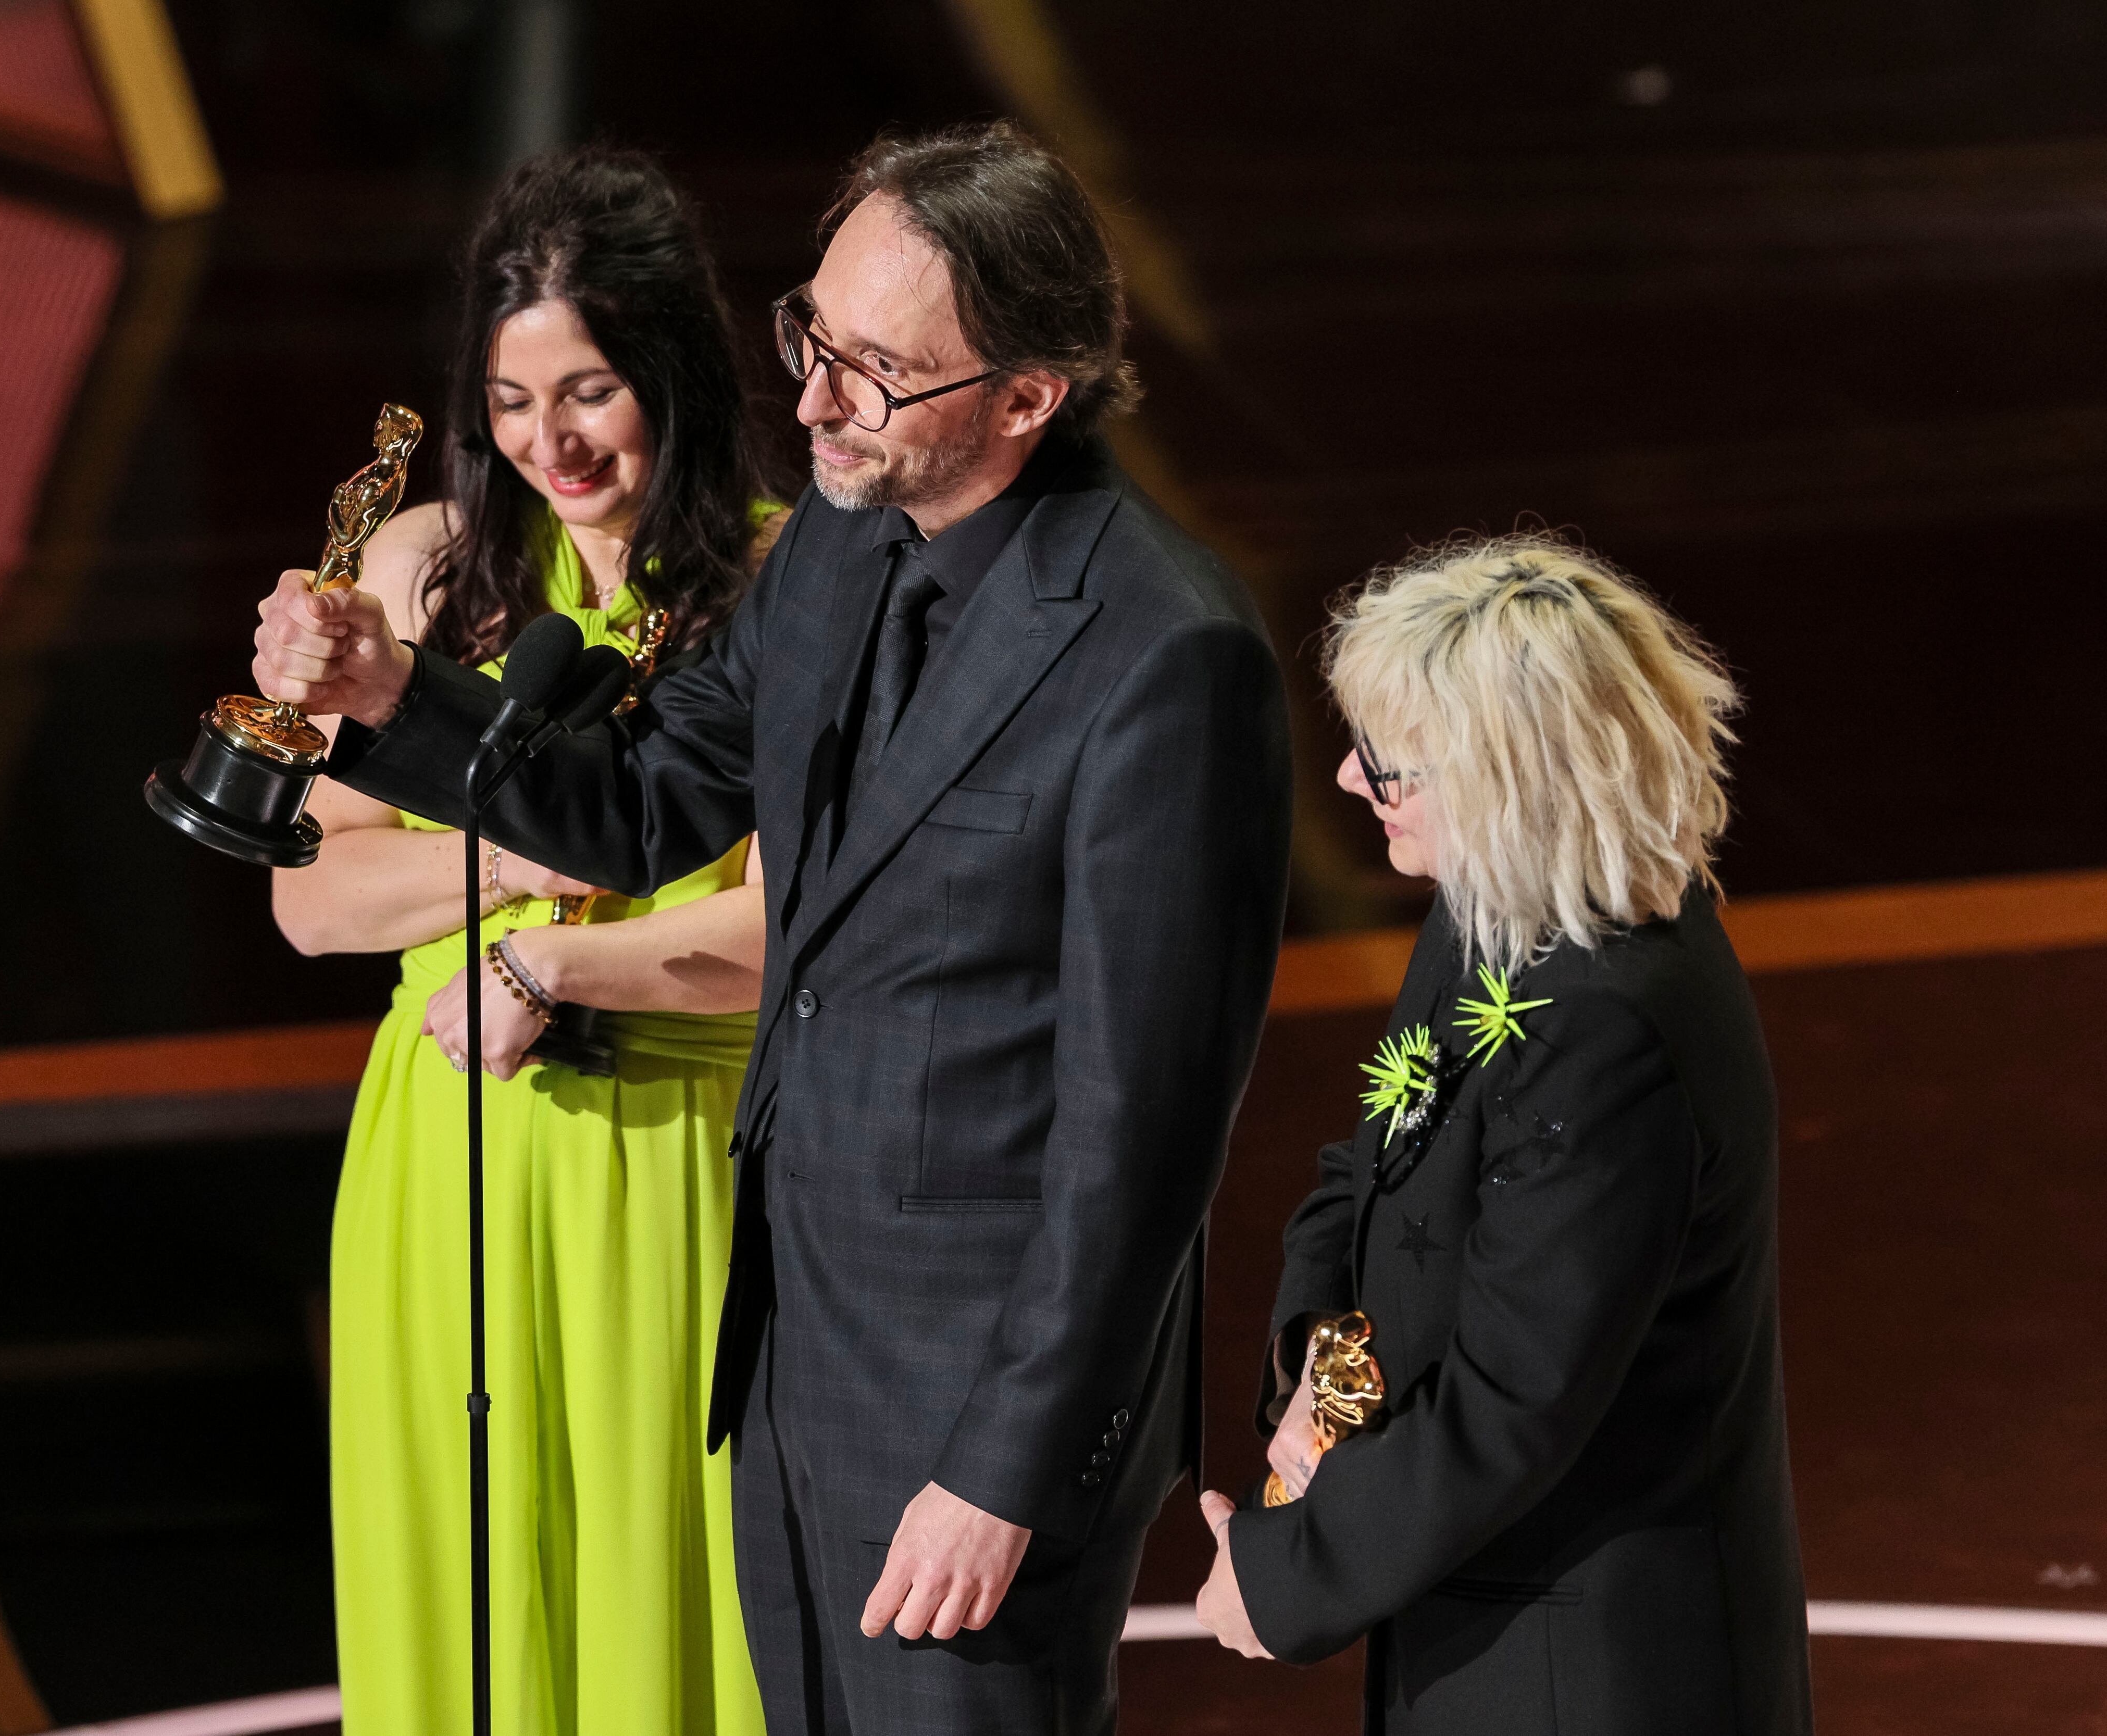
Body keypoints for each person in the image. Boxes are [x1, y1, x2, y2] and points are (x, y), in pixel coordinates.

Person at [251, 121, 1293, 1735]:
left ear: (1028, 395)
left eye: (874, 369)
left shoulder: (1166, 653)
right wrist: (395, 697)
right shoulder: (839, 544)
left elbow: (1141, 1128)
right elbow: (650, 795)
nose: (806, 399)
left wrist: (1004, 1468)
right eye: (812, 331)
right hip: (791, 1372)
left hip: (968, 1425)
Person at [270, 147, 785, 1736]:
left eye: (590, 391)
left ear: (676, 379)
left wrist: (532, 920)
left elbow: (799, 926)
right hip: (450, 1148)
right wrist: (528, 866)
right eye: (508, 398)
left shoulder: (793, 578)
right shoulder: (429, 565)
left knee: (669, 1607)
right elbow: (308, 896)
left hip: (678, 1164)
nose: (547, 441)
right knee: (470, 1598)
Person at [1192, 533, 1812, 1734]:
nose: (1349, 784)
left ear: (1507, 781)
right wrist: (1323, 1392)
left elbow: (1515, 1398)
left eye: (1389, 763)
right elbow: (1375, 1155)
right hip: (1481, 1608)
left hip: (1583, 1670)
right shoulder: (1494, 915)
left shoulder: (1610, 1024)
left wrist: (1286, 1573)